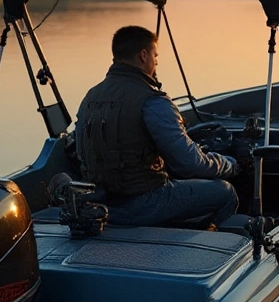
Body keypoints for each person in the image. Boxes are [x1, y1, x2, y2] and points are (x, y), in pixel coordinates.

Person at [73, 25, 240, 229]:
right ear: (144, 55)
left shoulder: (90, 97)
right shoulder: (152, 101)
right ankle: (208, 251)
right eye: (155, 56)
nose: (156, 62)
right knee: (225, 191)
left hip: (101, 203)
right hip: (144, 203)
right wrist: (229, 164)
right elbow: (188, 164)